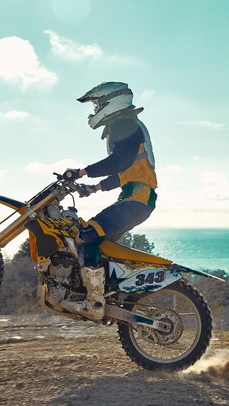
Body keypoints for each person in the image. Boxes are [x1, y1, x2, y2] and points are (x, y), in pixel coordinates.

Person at [61, 81, 157, 320]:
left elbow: (120, 162)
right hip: (136, 197)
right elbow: (126, 172)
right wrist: (94, 188)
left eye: (96, 104)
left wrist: (82, 172)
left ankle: (94, 302)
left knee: (87, 236)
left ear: (110, 101)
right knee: (102, 248)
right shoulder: (127, 124)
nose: (93, 110)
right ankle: (112, 296)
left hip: (136, 198)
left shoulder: (123, 123)